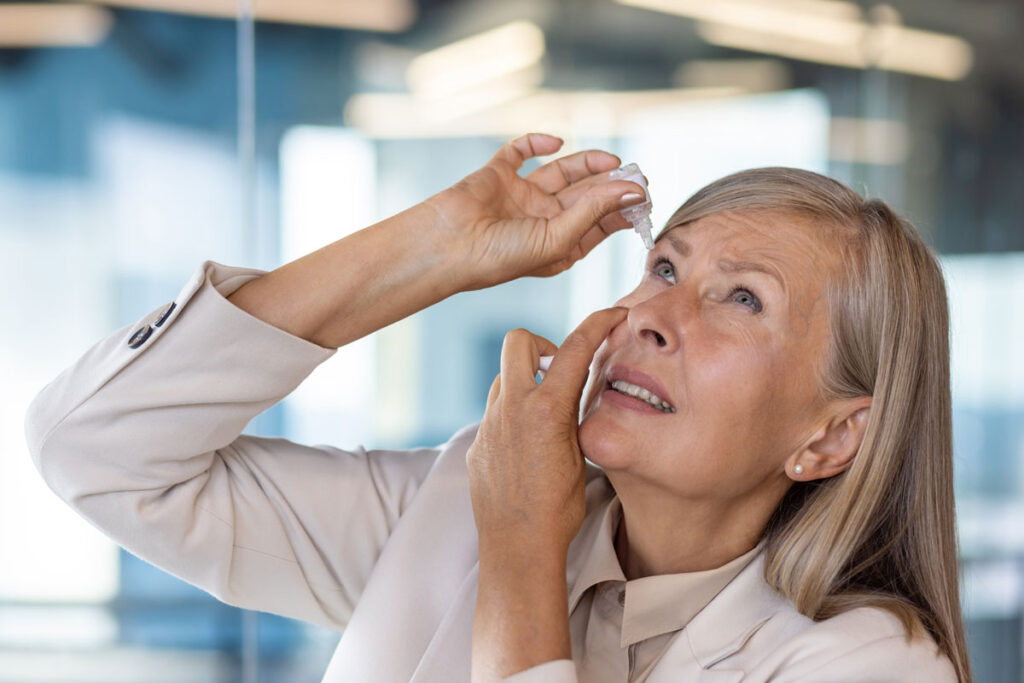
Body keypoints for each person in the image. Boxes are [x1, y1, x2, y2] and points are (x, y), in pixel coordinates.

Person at [25, 133, 969, 682]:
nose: (652, 316)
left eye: (741, 297)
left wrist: (521, 551)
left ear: (832, 434)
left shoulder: (872, 667)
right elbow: (96, 447)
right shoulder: (459, 506)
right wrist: (435, 247)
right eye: (665, 266)